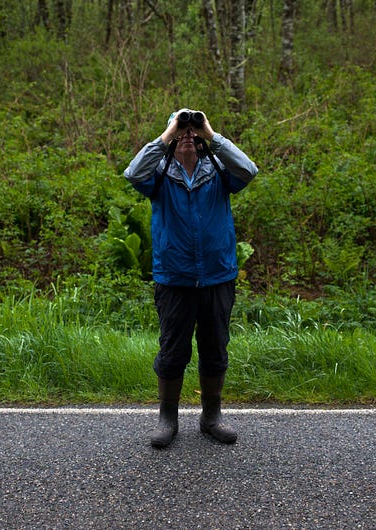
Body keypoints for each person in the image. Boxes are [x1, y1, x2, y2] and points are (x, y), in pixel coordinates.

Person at [123, 108, 258, 448]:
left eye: (191, 128)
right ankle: (167, 419)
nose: (187, 133)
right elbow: (132, 172)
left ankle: (211, 417)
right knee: (172, 352)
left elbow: (249, 170)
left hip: (217, 277)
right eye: (180, 128)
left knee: (215, 351)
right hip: (174, 278)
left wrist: (211, 134)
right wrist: (168, 134)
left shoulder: (217, 169)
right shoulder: (159, 173)